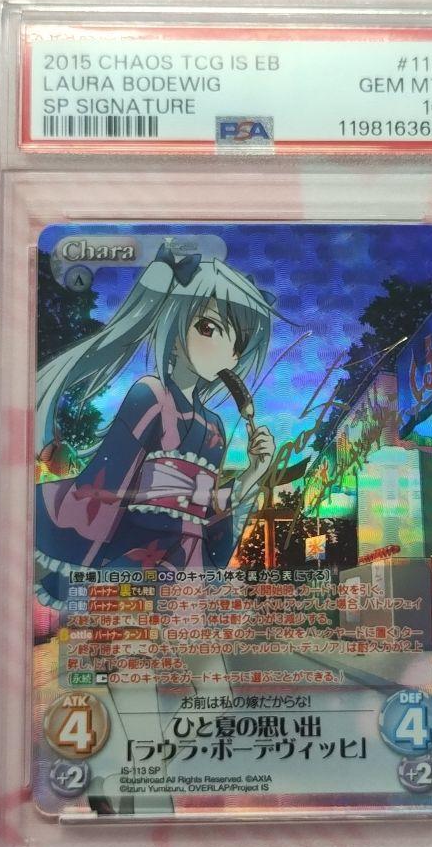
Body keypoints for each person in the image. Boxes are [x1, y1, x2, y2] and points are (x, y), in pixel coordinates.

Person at [34, 238, 276, 601]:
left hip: (188, 563)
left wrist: (252, 475)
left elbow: (209, 512)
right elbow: (106, 486)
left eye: (234, 343)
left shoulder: (215, 427)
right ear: (175, 333)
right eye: (206, 327)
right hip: (135, 552)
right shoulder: (151, 396)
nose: (222, 347)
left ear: (235, 355)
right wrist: (80, 572)